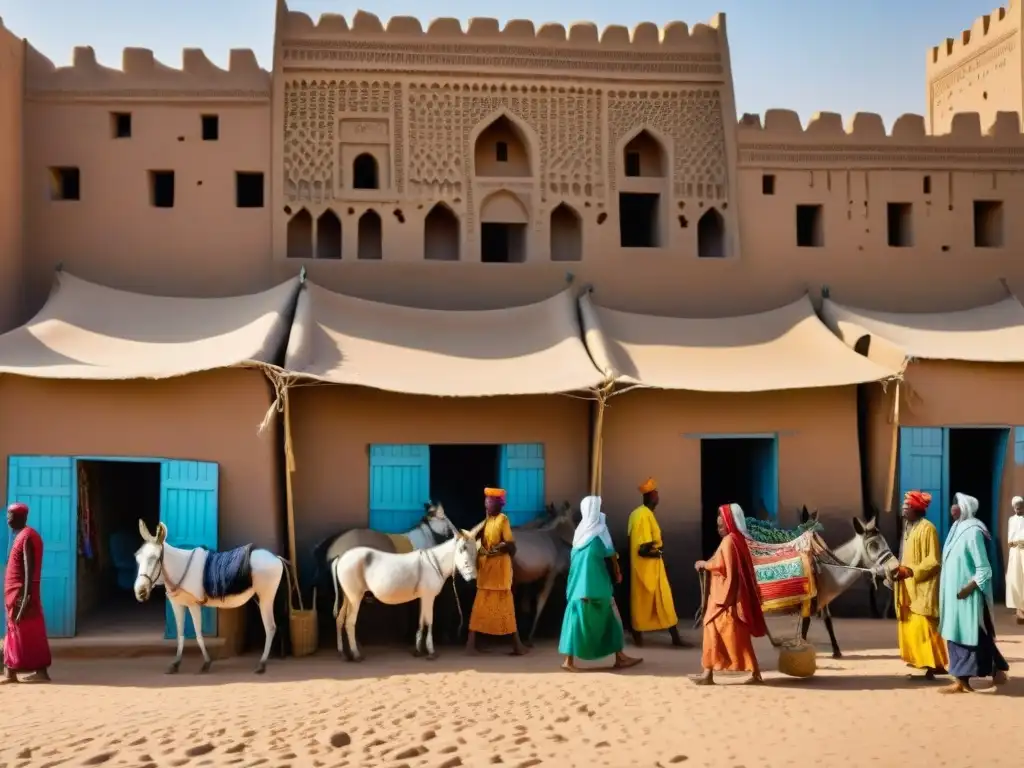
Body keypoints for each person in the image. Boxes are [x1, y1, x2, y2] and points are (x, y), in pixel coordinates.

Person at [559, 495, 642, 672]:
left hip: (577, 588)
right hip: (596, 587)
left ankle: (569, 660)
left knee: (575, 620)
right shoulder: (599, 531)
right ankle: (620, 657)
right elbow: (610, 552)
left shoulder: (579, 534)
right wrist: (617, 570)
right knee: (611, 619)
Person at [938, 492, 1009, 694]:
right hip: (953, 598)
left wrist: (968, 588)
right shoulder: (955, 529)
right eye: (952, 503)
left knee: (966, 636)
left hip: (968, 597)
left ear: (966, 507)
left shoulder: (973, 531)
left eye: (956, 504)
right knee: (972, 635)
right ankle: (998, 669)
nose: (952, 507)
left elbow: (984, 569)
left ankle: (962, 681)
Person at [693, 503, 766, 685]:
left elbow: (723, 566)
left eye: (721, 525)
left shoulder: (729, 541)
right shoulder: (736, 540)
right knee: (732, 636)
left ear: (729, 523)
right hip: (729, 598)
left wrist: (704, 565)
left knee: (720, 633)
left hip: (725, 599)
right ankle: (709, 672)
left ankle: (710, 673)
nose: (718, 529)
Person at [892, 490, 948, 681]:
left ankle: (933, 666)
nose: (903, 508)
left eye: (906, 506)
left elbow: (933, 562)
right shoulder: (908, 528)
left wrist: (910, 571)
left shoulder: (928, 529)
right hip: (906, 587)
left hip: (922, 587)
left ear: (916, 508)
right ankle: (923, 663)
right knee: (911, 625)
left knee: (924, 627)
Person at [627, 478, 687, 648]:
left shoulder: (635, 514)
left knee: (640, 604)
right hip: (650, 568)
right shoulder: (644, 515)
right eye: (657, 493)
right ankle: (675, 639)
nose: (658, 497)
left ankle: (638, 638)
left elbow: (630, 540)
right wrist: (658, 553)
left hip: (638, 568)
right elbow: (643, 549)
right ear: (652, 495)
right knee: (664, 601)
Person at [467, 488, 527, 656]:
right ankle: (471, 644)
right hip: (486, 572)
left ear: (498, 505)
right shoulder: (486, 521)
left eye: (490, 502)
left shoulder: (503, 520)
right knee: (479, 609)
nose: (486, 505)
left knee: (506, 610)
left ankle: (517, 645)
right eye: (486, 502)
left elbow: (510, 545)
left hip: (500, 572)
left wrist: (495, 549)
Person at [2, 502, 52, 684]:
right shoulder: (20, 536)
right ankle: (14, 671)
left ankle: (31, 671)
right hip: (15, 594)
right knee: (19, 633)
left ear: (22, 517)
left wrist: (25, 598)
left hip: (21, 595)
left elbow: (29, 570)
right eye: (7, 516)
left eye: (11, 516)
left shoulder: (28, 537)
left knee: (25, 633)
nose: (8, 520)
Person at [1006, 495, 1024, 624]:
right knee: (1015, 579)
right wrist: (1012, 543)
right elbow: (1009, 539)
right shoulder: (1011, 520)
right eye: (1017, 508)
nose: (1019, 510)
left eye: (1021, 508)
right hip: (1015, 553)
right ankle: (1019, 610)